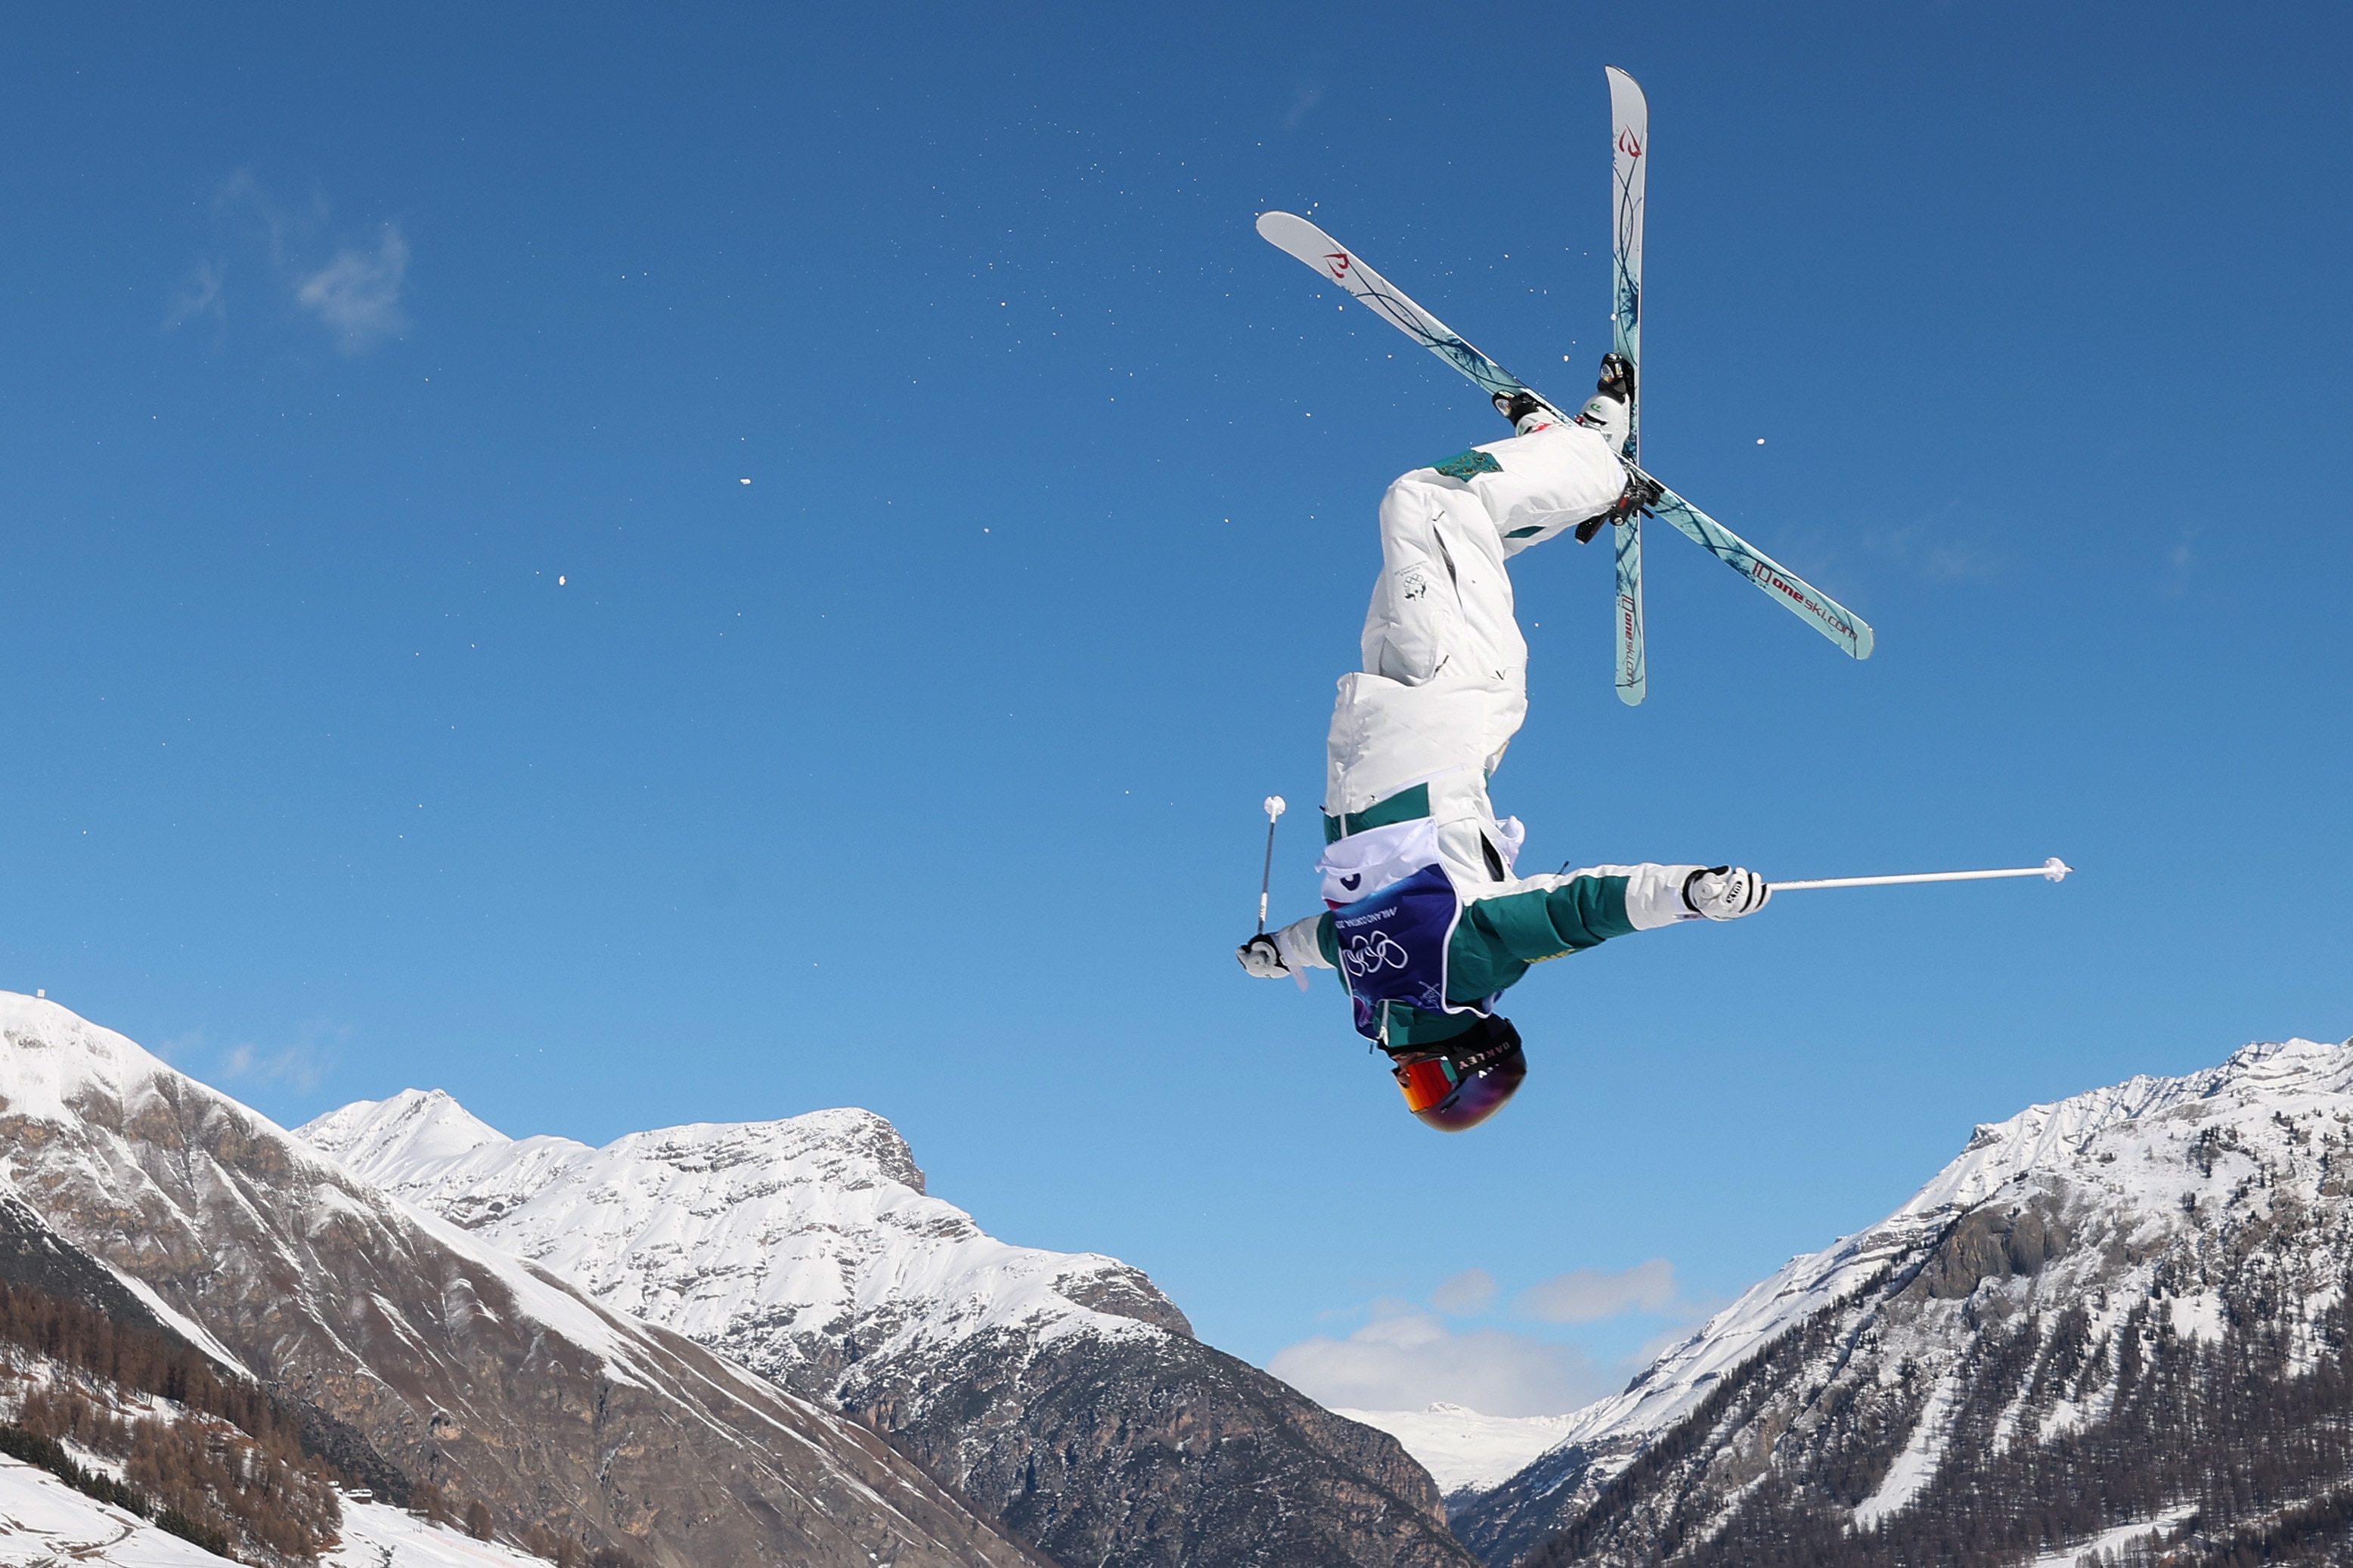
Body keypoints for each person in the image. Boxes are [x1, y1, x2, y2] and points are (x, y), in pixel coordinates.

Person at [1237, 358, 1769, 1132]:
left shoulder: (1374, 987)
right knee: (1422, 500)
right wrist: (1690, 892)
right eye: (1431, 1089)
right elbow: (1579, 908)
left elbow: (1324, 937)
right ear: (1473, 1055)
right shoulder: (1473, 965)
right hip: (1448, 705)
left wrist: (1276, 956)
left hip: (1379, 716)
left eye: (1412, 1096)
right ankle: (1589, 455)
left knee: (1447, 539)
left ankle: (1563, 470)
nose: (1408, 1082)